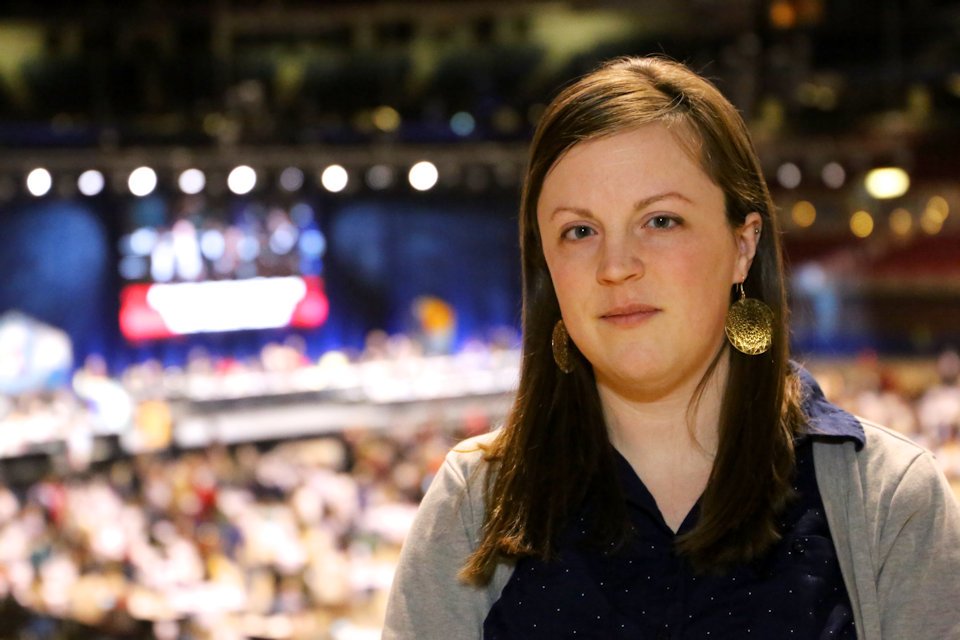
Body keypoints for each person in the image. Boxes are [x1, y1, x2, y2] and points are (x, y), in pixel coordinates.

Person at [382, 56, 960, 640]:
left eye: (660, 221)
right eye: (579, 231)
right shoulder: (473, 505)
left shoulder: (888, 500)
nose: (615, 266)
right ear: (546, 269)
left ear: (743, 244)